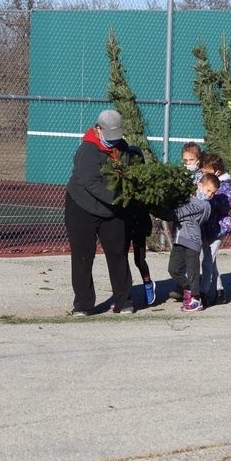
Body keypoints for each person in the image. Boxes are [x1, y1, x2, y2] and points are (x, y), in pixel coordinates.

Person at [64, 108, 134, 315]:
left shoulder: (124, 149)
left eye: (117, 136)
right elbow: (90, 182)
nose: (113, 141)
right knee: (83, 257)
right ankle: (83, 305)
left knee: (118, 254)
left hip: (112, 210)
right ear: (98, 129)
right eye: (109, 136)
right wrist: (119, 198)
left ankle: (124, 301)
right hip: (82, 207)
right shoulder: (88, 150)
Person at [165, 173, 218, 312]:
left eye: (212, 193)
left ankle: (196, 299)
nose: (209, 195)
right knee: (174, 269)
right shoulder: (189, 198)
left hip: (192, 242)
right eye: (208, 191)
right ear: (199, 185)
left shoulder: (203, 205)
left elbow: (179, 212)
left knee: (193, 272)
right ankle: (188, 288)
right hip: (179, 239)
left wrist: (160, 211)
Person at [199, 152, 231, 306]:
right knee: (211, 262)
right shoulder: (202, 183)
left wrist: (207, 198)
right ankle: (220, 291)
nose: (202, 175)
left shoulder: (224, 188)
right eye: (202, 172)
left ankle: (203, 293)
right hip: (207, 227)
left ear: (217, 172)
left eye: (206, 172)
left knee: (207, 261)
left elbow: (225, 204)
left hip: (217, 228)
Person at [123, 144, 157, 306]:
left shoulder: (144, 185)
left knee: (139, 260)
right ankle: (123, 294)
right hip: (123, 224)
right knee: (121, 258)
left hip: (139, 225)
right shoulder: (121, 181)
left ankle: (148, 284)